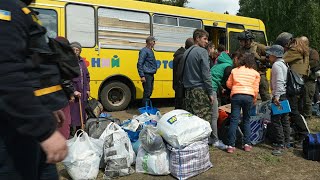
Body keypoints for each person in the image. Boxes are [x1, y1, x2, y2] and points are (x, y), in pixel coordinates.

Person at [0, 0, 67, 179]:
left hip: (27, 126)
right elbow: (7, 78)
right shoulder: (6, 9)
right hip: (11, 131)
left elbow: (31, 70)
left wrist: (48, 107)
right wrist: (45, 131)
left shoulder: (19, 9)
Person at [277, 33, 310, 147]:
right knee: (294, 110)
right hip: (299, 85)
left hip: (293, 87)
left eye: (283, 46)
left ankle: (304, 134)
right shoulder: (300, 48)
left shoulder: (294, 50)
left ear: (286, 43)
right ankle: (296, 133)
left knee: (293, 111)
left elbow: (280, 58)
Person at [226, 53, 260, 153]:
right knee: (246, 120)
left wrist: (236, 87)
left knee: (234, 120)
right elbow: (256, 88)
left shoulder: (234, 70)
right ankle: (247, 144)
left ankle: (230, 146)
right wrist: (254, 99)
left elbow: (228, 84)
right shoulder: (255, 73)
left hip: (236, 96)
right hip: (249, 96)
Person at [183, 28, 213, 122]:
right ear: (197, 38)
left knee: (192, 121)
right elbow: (206, 74)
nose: (207, 42)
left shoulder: (187, 52)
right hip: (200, 92)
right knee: (204, 121)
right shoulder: (202, 52)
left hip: (188, 92)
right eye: (204, 39)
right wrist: (211, 93)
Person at [266, 45, 290, 156]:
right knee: (284, 120)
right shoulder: (284, 64)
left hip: (279, 96)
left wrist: (276, 97)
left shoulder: (276, 65)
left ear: (275, 54)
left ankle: (280, 144)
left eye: (270, 54)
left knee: (276, 120)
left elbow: (279, 81)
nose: (268, 56)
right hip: (284, 94)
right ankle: (286, 142)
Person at [237, 30, 270, 101]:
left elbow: (270, 57)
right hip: (248, 77)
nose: (240, 43)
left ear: (248, 40)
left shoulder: (259, 47)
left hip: (260, 74)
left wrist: (258, 57)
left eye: (242, 41)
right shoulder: (241, 50)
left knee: (265, 95)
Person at [210, 51, 233, 149]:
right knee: (214, 115)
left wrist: (221, 88)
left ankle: (209, 137)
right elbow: (227, 82)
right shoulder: (228, 66)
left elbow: (215, 77)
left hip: (208, 87)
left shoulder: (217, 65)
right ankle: (215, 140)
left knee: (210, 114)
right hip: (212, 89)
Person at [69, 42, 90, 133]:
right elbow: (66, 79)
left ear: (80, 51)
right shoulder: (69, 62)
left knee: (81, 113)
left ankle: (79, 132)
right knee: (72, 114)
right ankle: (70, 132)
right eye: (73, 50)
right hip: (73, 93)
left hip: (82, 92)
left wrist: (88, 89)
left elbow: (87, 76)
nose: (75, 51)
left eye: (77, 50)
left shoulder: (82, 62)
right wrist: (73, 91)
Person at [300, 36, 319, 119]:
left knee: (307, 100)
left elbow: (315, 63)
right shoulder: (299, 52)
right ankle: (301, 116)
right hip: (300, 79)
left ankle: (307, 116)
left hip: (309, 80)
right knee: (300, 99)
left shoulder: (312, 52)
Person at [172, 37, 194, 109]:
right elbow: (181, 72)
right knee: (180, 106)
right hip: (181, 86)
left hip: (178, 85)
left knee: (178, 104)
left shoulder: (179, 54)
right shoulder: (183, 56)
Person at [137, 36, 158, 106]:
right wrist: (142, 75)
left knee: (149, 91)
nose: (155, 43)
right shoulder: (144, 51)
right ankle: (145, 109)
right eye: (154, 41)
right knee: (147, 92)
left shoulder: (150, 51)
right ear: (150, 42)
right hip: (146, 74)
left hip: (150, 74)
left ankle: (147, 107)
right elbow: (139, 63)